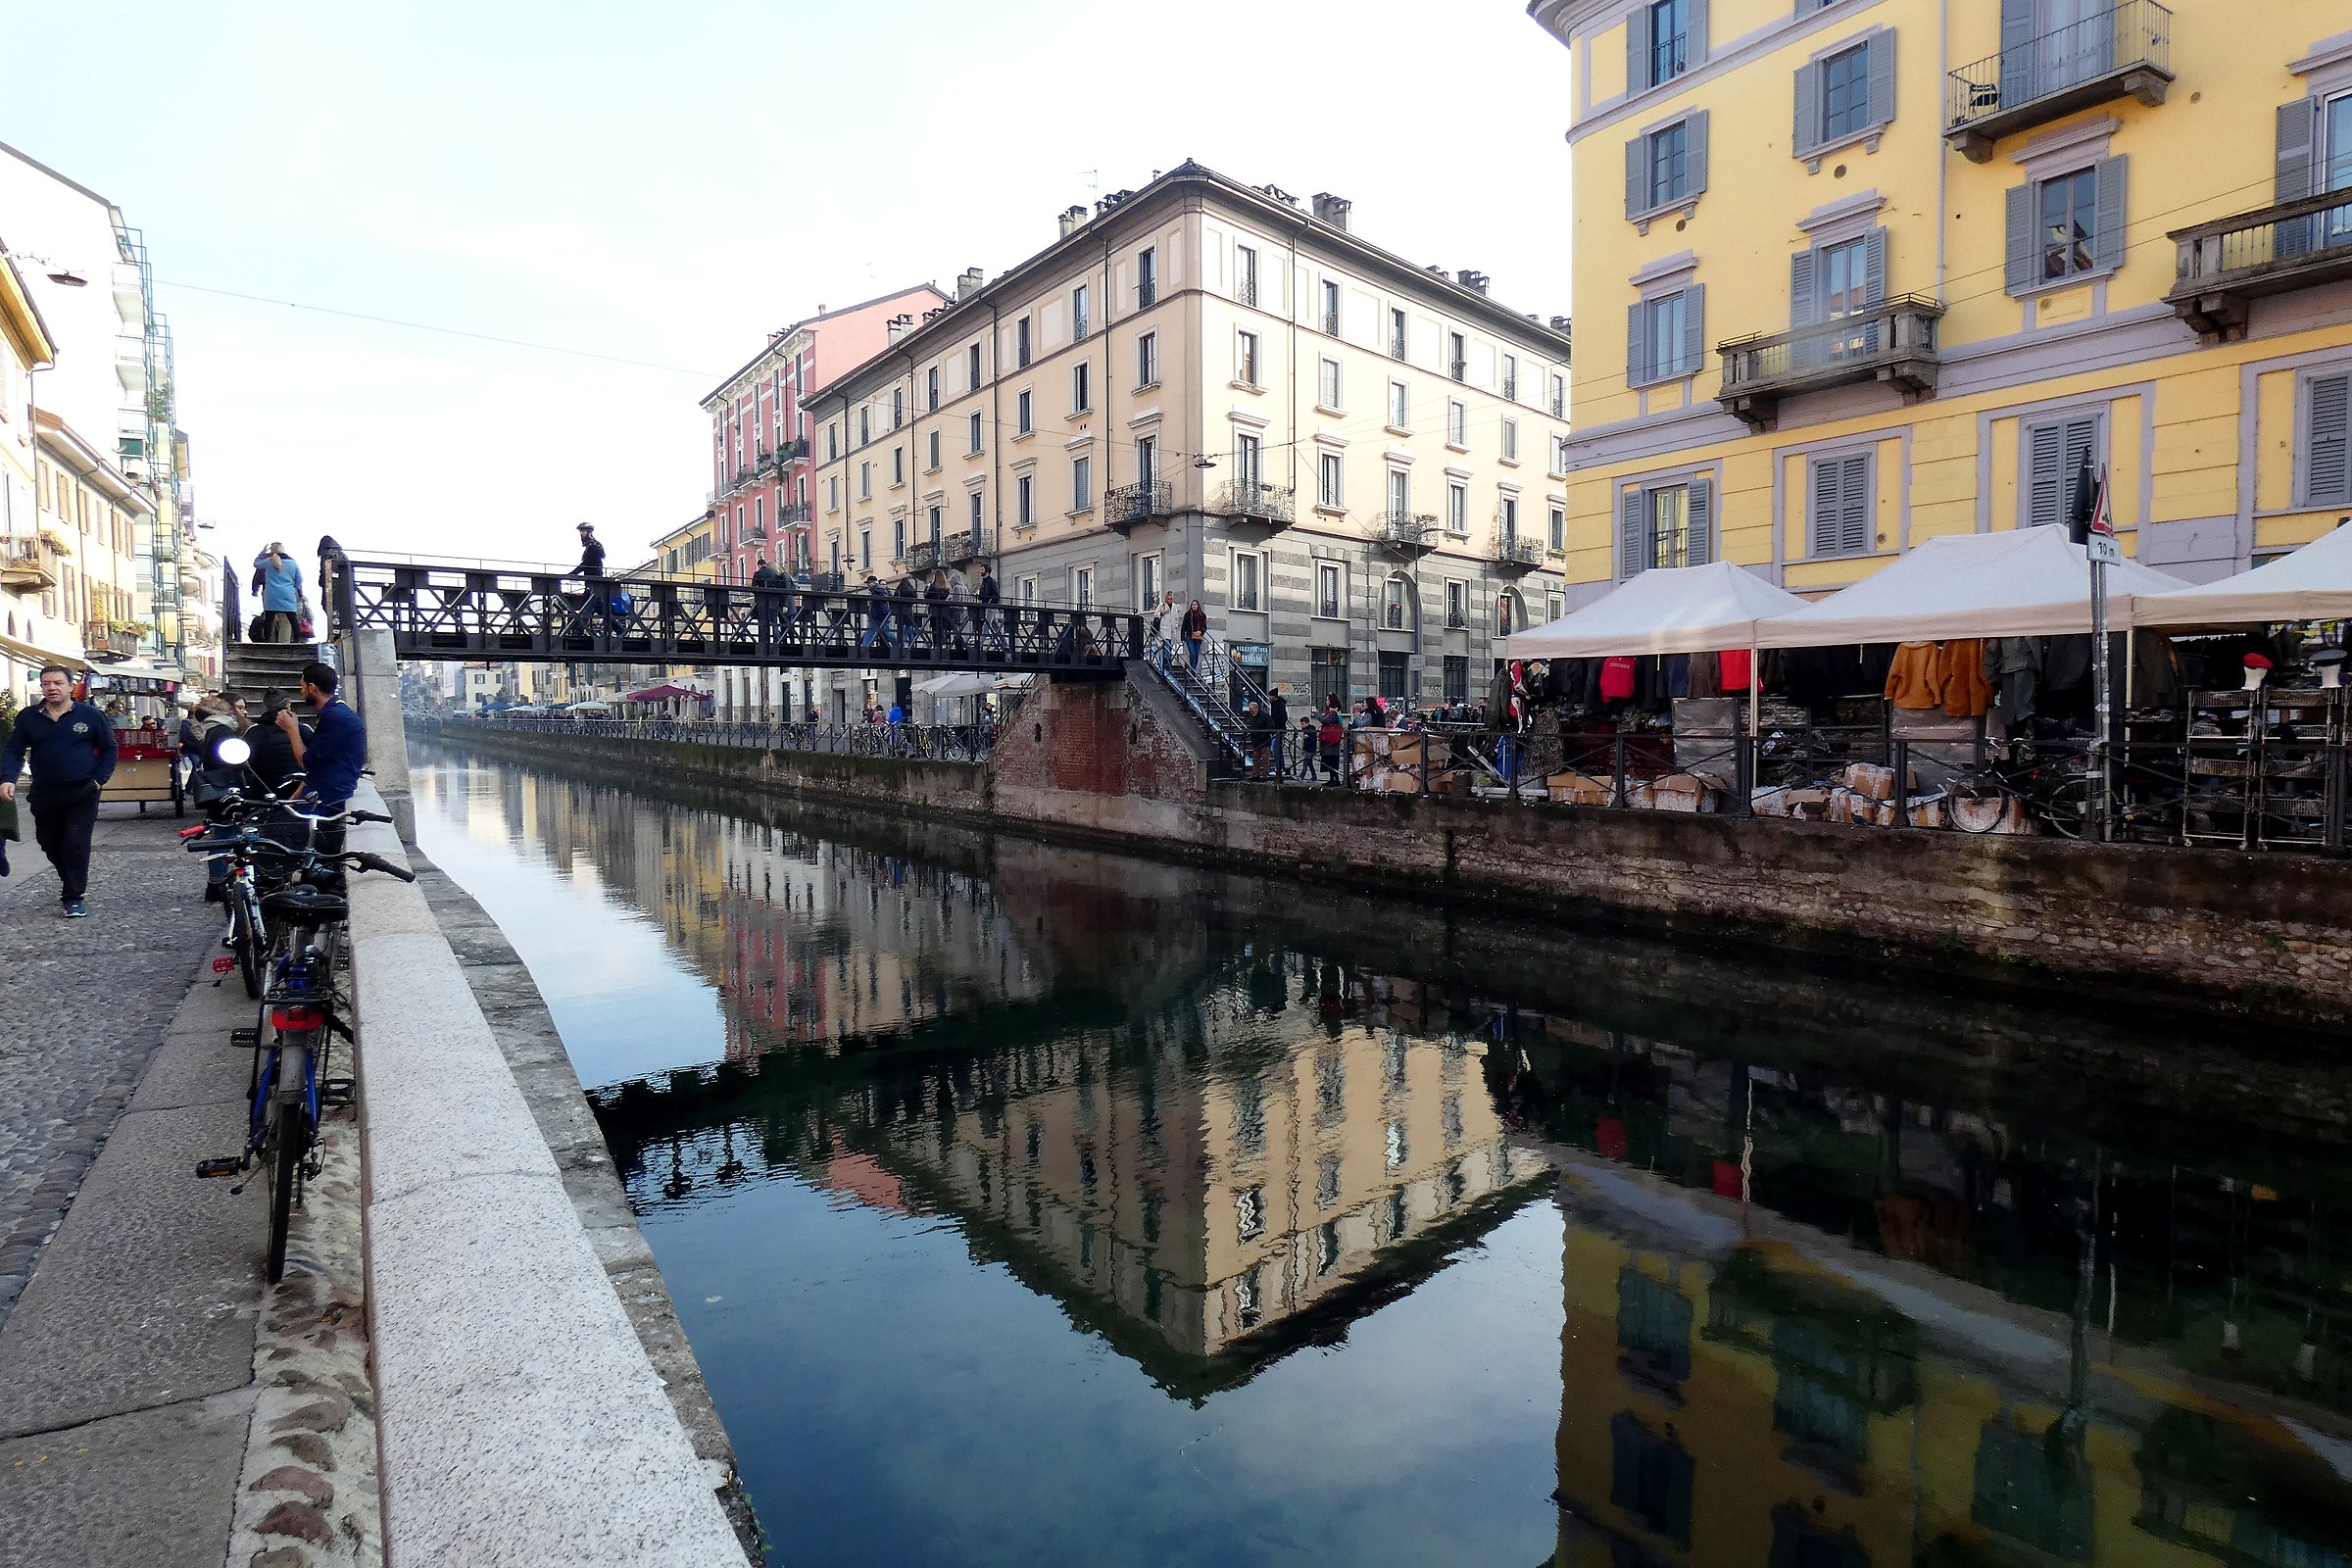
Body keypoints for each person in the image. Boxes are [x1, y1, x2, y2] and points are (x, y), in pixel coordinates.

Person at [1, 664, 118, 917]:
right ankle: (70, 878)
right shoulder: (28, 717)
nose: (52, 688)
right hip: (45, 791)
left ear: (70, 686)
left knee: (76, 842)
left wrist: (98, 781)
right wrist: (8, 779)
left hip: (82, 790)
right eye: (46, 684)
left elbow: (110, 748)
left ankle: (73, 896)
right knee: (48, 842)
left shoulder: (90, 715)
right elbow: (13, 750)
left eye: (58, 683)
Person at [274, 661, 366, 851]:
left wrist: (292, 729)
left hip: (329, 798)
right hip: (326, 791)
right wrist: (297, 793)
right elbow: (321, 763)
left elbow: (307, 762)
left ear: (312, 687)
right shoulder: (336, 712)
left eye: (302, 687)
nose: (301, 692)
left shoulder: (337, 718)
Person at [251, 543, 305, 643]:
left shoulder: (269, 561)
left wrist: (262, 553)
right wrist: (294, 588)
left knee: (269, 618)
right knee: (292, 617)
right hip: (288, 593)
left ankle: (267, 639)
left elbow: (256, 564)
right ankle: (298, 638)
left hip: (272, 594)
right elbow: (299, 580)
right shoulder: (293, 563)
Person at [573, 521, 608, 630]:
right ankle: (619, 629)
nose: (581, 534)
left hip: (594, 581)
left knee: (585, 608)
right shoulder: (592, 546)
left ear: (590, 532)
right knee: (599, 608)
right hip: (592, 581)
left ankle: (578, 632)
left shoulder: (593, 546)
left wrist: (572, 574)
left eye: (583, 531)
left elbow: (587, 563)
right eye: (581, 531)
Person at [751, 553, 784, 647]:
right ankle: (776, 640)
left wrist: (758, 594)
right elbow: (779, 585)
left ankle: (764, 640)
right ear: (765, 564)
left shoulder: (757, 574)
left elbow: (753, 587)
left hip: (761, 600)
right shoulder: (774, 573)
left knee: (763, 621)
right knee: (774, 621)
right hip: (773, 600)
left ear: (759, 565)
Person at [1268, 685, 1290, 779]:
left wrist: (1277, 726)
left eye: (1270, 696)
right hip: (1276, 730)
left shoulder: (1279, 705)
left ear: (1274, 696)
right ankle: (1280, 768)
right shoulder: (1274, 704)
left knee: (1275, 749)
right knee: (1277, 750)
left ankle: (1280, 768)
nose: (1269, 698)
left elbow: (1284, 717)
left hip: (1279, 731)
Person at [1181, 600, 1207, 672]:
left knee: (1196, 654)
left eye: (1195, 604)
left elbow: (1205, 627)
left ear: (1198, 606)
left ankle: (1193, 671)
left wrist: (1201, 632)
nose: (1193, 606)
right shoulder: (1188, 615)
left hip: (1198, 637)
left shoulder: (1202, 615)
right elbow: (1183, 626)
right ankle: (1193, 673)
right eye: (1192, 604)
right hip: (1189, 636)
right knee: (1192, 653)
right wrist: (1182, 638)